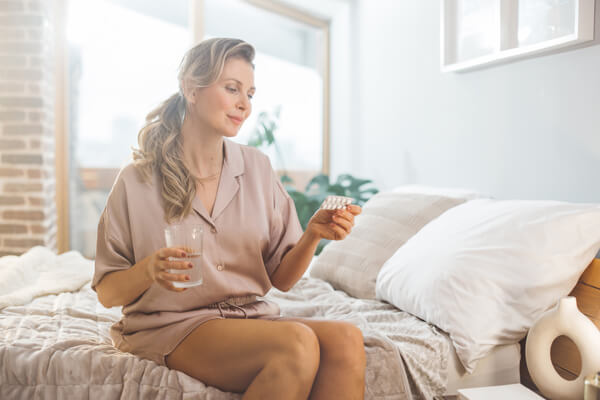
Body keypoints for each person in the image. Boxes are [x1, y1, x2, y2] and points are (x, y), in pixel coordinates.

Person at [93, 37, 365, 400]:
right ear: (191, 88)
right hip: (174, 325)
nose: (244, 104)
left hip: (249, 319)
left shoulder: (257, 167)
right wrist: (150, 271)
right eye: (232, 88)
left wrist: (312, 235)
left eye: (250, 94)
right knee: (295, 344)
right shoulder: (136, 180)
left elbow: (280, 279)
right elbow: (107, 293)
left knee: (347, 340)